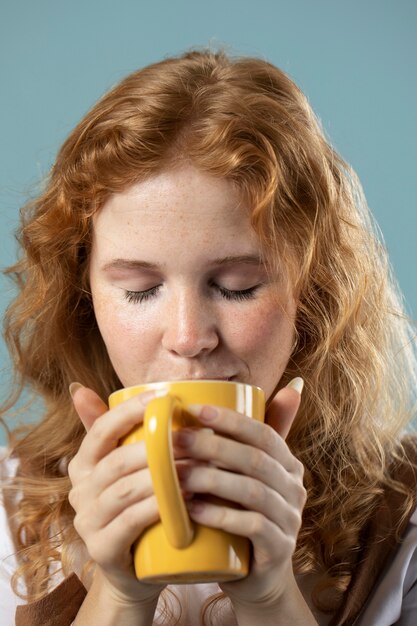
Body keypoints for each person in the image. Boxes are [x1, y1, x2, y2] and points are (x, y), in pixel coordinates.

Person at [0, 48, 416, 626]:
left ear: (312, 291)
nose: (190, 337)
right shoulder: (8, 510)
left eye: (238, 286)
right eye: (141, 290)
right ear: (83, 297)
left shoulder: (405, 521)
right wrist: (119, 595)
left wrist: (271, 598)